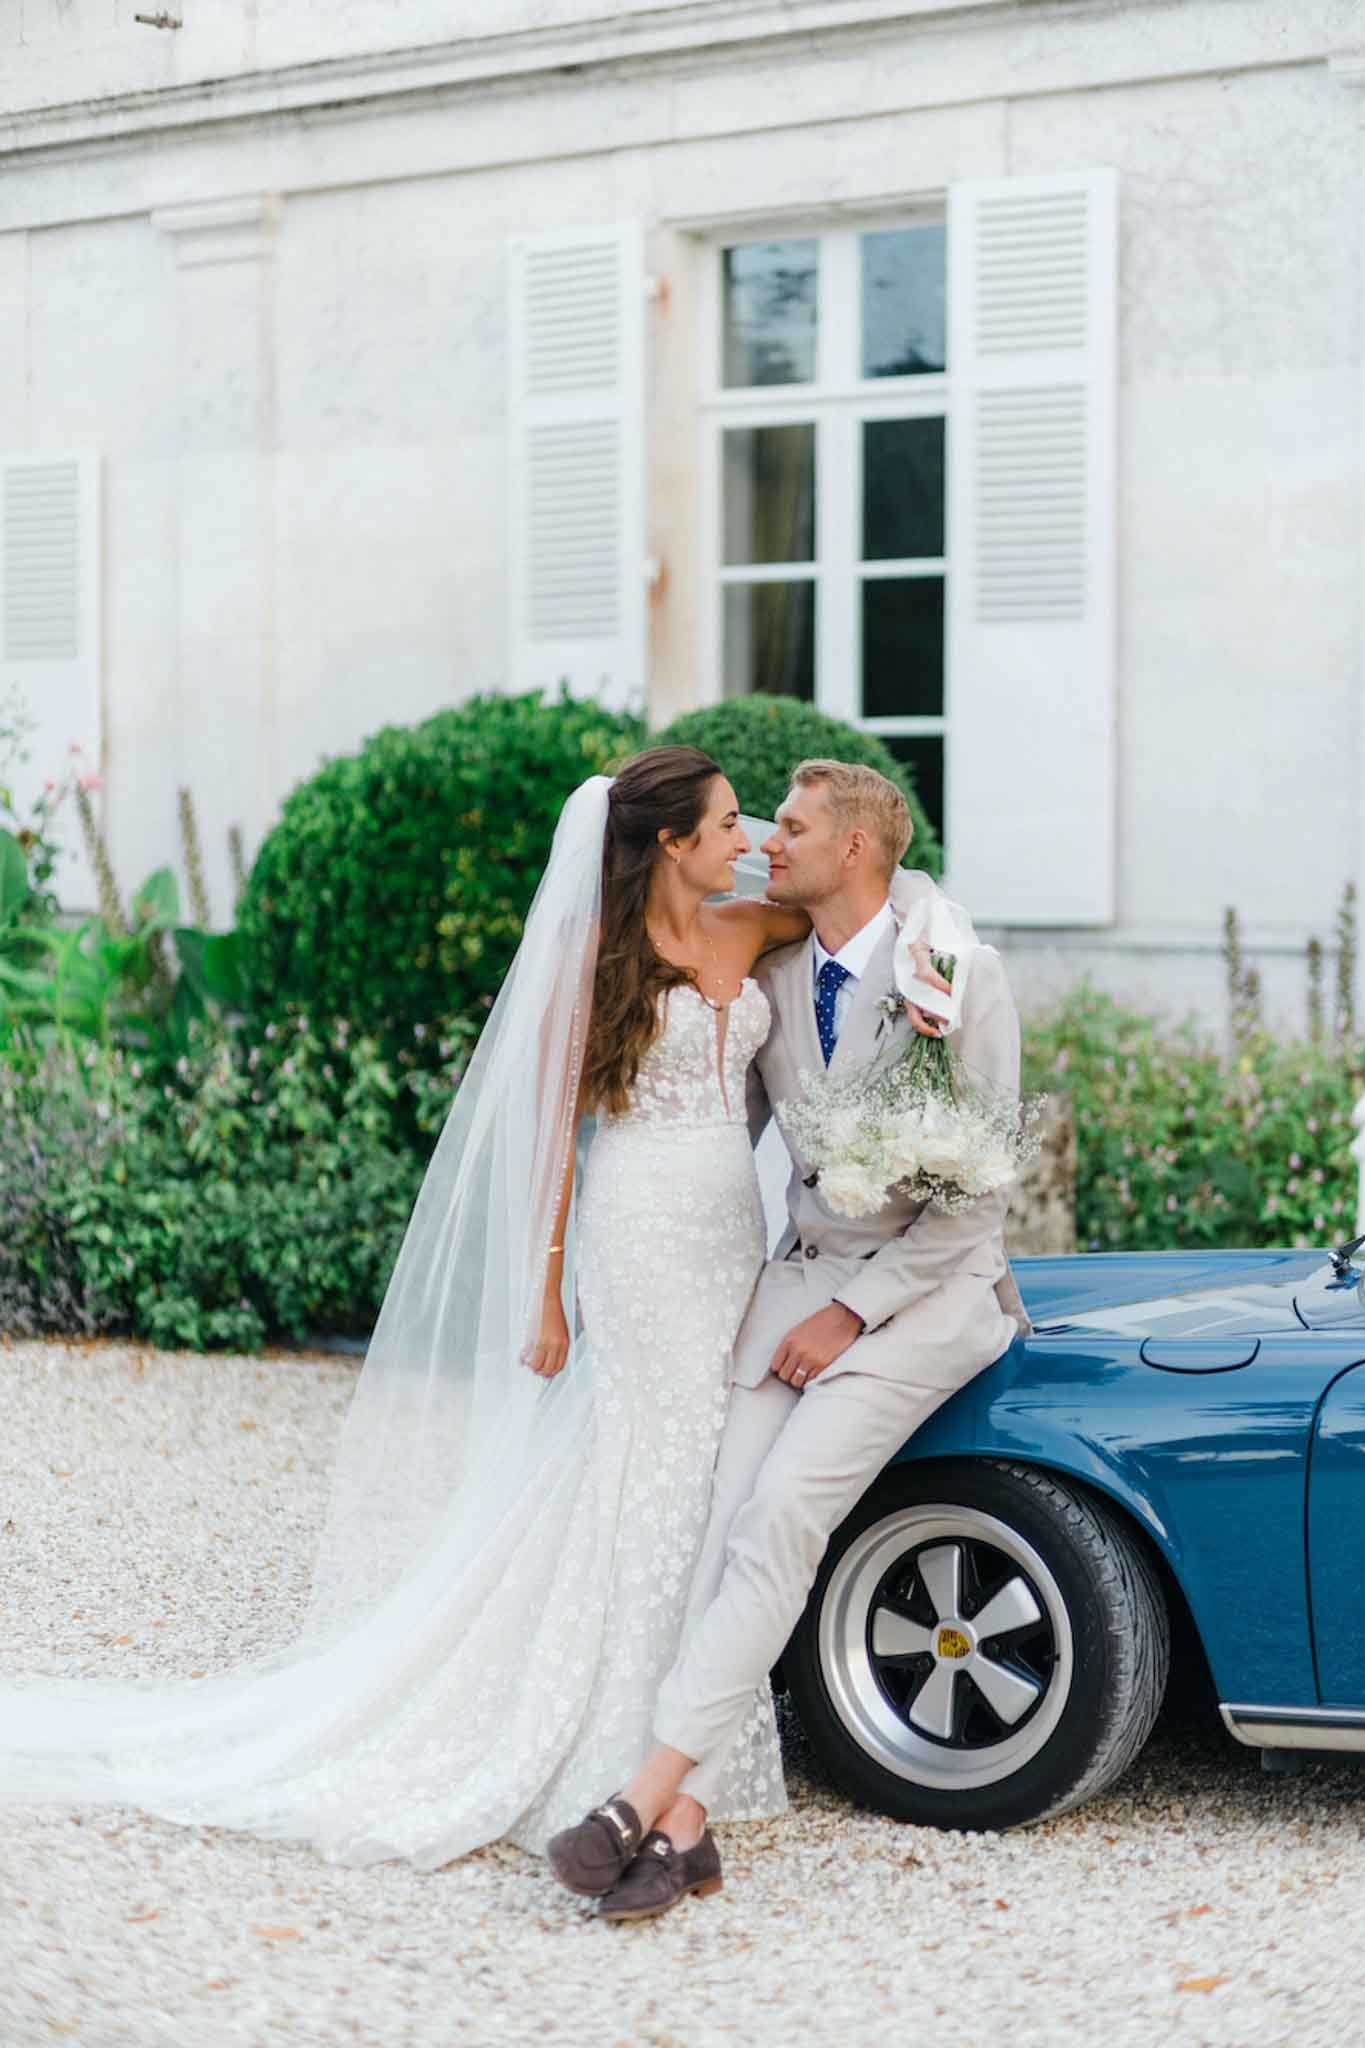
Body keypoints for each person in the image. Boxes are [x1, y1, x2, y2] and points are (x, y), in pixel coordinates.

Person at [0, 748, 812, 1868]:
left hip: (732, 1232)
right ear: (671, 841)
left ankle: (689, 1743)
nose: (750, 835)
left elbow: (867, 900)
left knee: (708, 1461)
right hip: (636, 1234)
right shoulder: (595, 956)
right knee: (652, 1459)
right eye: (728, 821)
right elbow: (550, 1146)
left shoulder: (754, 926)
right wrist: (545, 1294)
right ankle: (626, 1751)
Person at [548, 759, 1028, 1921]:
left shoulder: (958, 972)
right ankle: (690, 1827)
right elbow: (720, 1123)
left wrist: (853, 1311)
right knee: (719, 1505)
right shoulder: (768, 963)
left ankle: (646, 1794)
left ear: (857, 850)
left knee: (781, 1513)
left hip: (928, 1297)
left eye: (796, 827)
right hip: (798, 1279)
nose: (770, 839)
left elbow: (979, 1201)